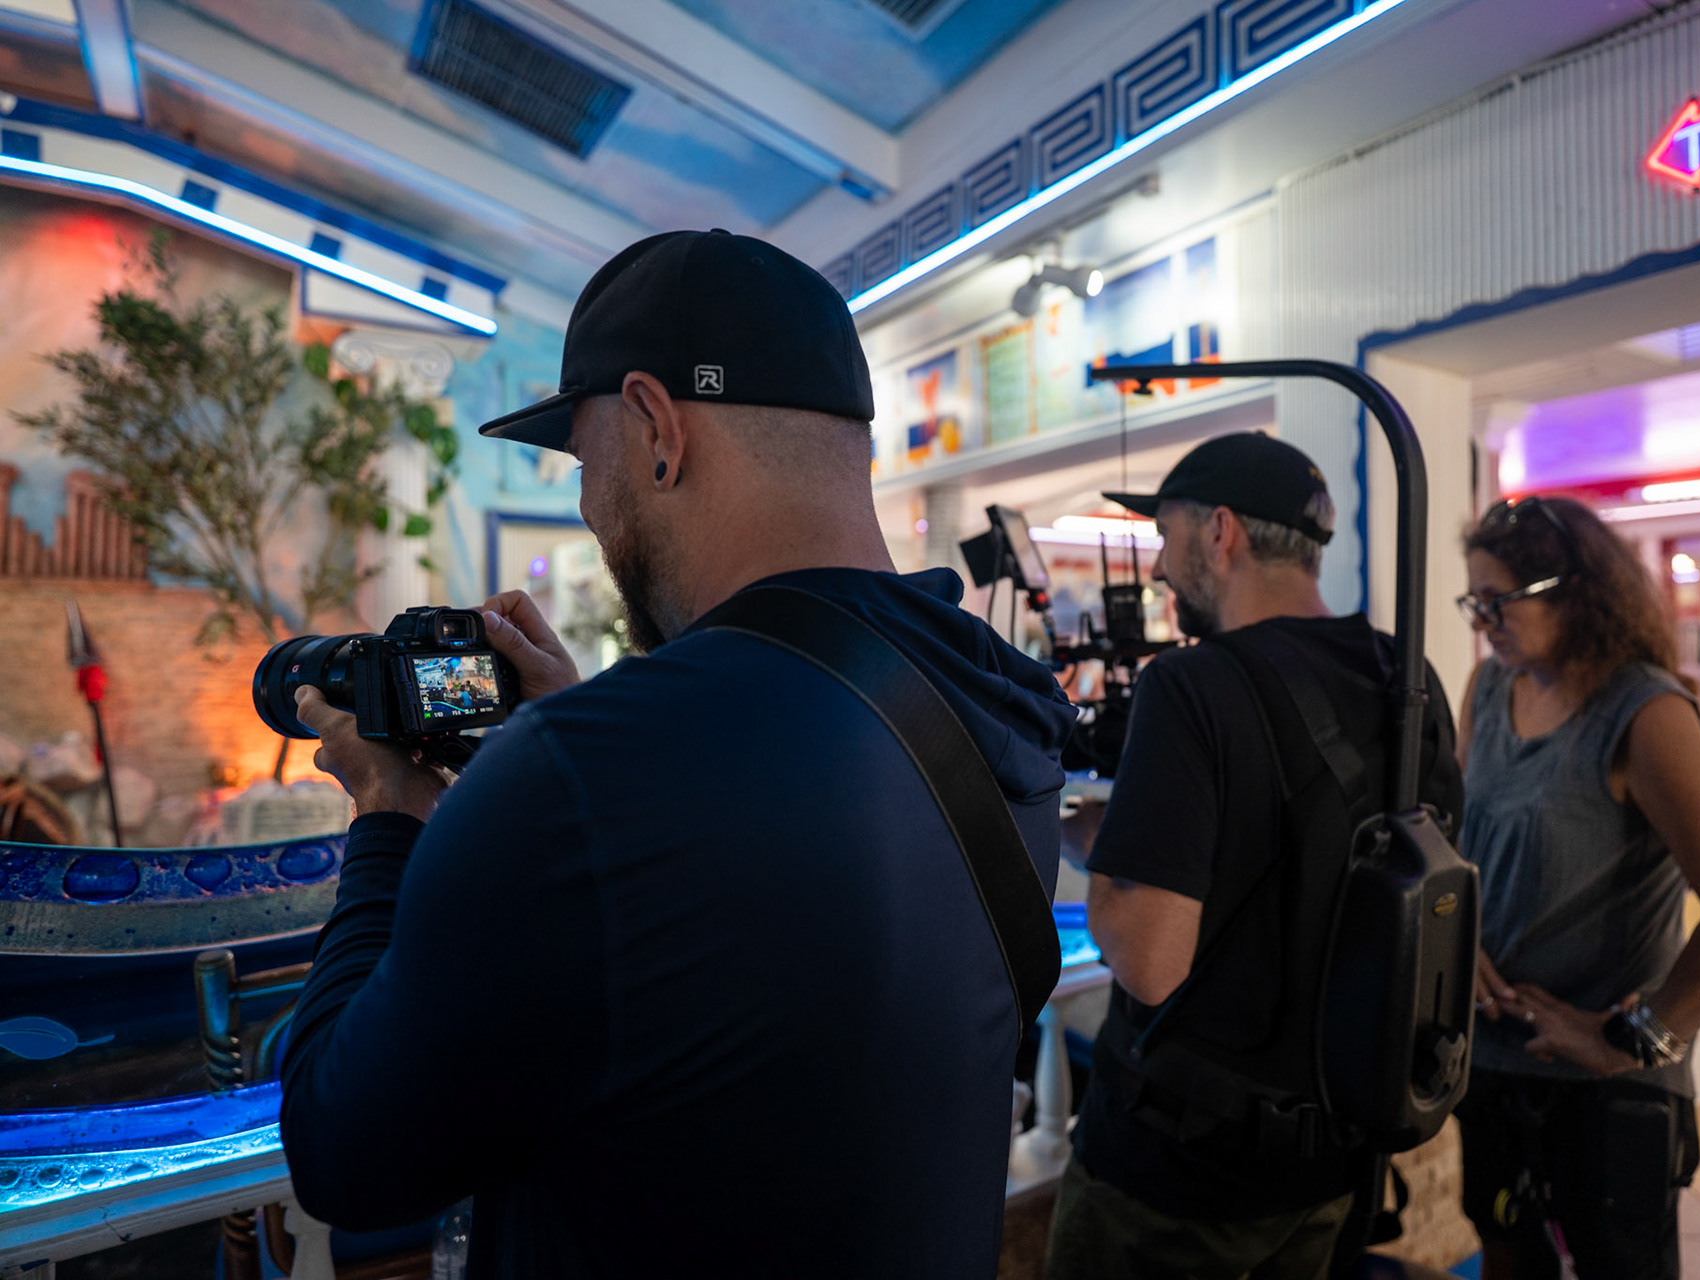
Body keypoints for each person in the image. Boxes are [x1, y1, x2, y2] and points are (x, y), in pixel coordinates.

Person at [279, 229, 1077, 1279]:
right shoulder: (1003, 702)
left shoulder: (585, 775)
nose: (586, 505)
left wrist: (389, 815)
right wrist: (587, 728)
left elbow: (342, 1153)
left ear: (657, 427)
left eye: (585, 459)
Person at [1046, 433, 1464, 1280]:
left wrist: (1098, 854)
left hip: (1179, 1183)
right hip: (1332, 1157)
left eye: (1166, 536)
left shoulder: (1192, 684)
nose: (1159, 569)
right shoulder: (1405, 675)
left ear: (1220, 531)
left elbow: (1151, 962)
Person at [1454, 496, 1700, 1280]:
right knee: (1508, 1255)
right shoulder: (1489, 690)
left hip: (1605, 1099)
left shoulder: (1644, 711)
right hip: (1496, 1064)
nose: (1484, 622)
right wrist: (1459, 940)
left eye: (1500, 601)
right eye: (1475, 602)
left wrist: (1631, 1039)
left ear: (1576, 592)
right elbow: (1460, 842)